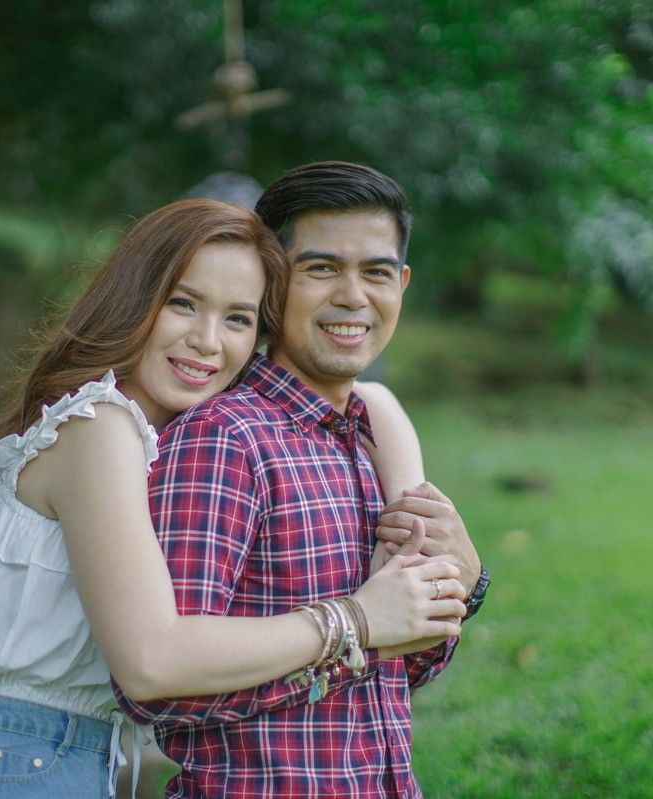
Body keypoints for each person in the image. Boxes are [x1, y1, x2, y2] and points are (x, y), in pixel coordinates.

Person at [0, 198, 468, 799]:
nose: (206, 342)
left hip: (56, 756)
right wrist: (355, 618)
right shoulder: (101, 428)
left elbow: (374, 401)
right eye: (184, 303)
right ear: (136, 299)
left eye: (237, 319)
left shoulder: (143, 434)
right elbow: (151, 660)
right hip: (10, 761)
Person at [115, 162, 489, 798]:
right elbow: (162, 692)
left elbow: (398, 670)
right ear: (273, 284)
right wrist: (355, 629)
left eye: (375, 272)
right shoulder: (226, 439)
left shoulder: (367, 440)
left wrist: (464, 583)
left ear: (401, 284)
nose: (352, 296)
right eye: (321, 268)